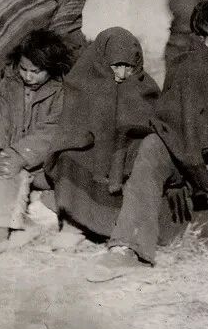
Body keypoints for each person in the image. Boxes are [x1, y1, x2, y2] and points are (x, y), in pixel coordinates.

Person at [87, 0, 208, 290]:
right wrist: (180, 173)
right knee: (152, 145)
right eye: (201, 37)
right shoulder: (184, 65)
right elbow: (171, 124)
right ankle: (128, 248)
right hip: (189, 154)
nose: (206, 45)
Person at [43, 27, 160, 245]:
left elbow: (150, 129)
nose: (122, 74)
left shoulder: (145, 87)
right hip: (91, 152)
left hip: (125, 157)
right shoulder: (82, 82)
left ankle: (114, 226)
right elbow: (71, 126)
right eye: (116, 66)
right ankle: (74, 224)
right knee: (69, 158)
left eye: (128, 67)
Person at [0, 29, 70, 254]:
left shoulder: (61, 93)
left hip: (40, 165)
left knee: (9, 174)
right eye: (23, 69)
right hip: (8, 154)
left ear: (51, 67)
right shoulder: (9, 87)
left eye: (36, 71)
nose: (28, 76)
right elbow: (0, 122)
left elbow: (51, 132)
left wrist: (19, 155)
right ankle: (23, 225)